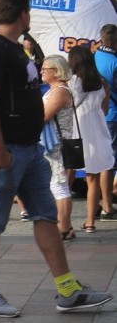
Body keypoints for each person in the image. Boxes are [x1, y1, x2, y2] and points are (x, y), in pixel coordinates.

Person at [0, 0, 112, 317]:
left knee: (45, 215)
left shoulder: (16, 49)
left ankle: (68, 290)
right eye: (30, 11)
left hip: (29, 149)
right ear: (23, 14)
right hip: (3, 150)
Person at [68, 45, 116, 231]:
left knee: (67, 175)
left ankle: (63, 219)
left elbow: (70, 105)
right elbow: (104, 109)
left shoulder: (73, 82)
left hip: (77, 131)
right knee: (92, 177)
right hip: (98, 130)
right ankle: (90, 222)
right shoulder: (102, 82)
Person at [39, 55, 77, 241]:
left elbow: (44, 116)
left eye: (45, 68)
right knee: (57, 185)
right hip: (54, 143)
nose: (42, 71)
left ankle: (64, 227)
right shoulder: (55, 90)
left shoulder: (60, 91)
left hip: (57, 145)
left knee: (59, 186)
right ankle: (65, 226)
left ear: (56, 70)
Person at [93, 24, 117, 201]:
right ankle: (108, 205)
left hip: (99, 114)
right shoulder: (114, 62)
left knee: (104, 161)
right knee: (110, 161)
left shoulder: (94, 56)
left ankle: (106, 203)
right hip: (113, 116)